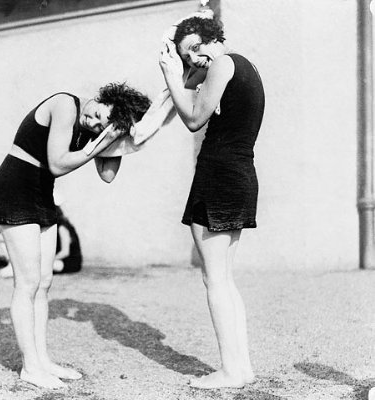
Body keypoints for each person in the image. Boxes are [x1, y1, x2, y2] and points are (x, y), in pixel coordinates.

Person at [0, 83, 150, 389]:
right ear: (101, 98)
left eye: (102, 125)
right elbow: (58, 163)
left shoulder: (97, 130)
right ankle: (30, 367)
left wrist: (121, 139)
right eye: (98, 114)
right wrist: (99, 142)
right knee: (27, 283)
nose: (94, 122)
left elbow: (107, 174)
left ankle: (42, 360)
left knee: (44, 282)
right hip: (15, 188)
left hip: (42, 193)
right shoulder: (65, 105)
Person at [159, 15, 265, 389]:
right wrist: (180, 55)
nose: (193, 59)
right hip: (239, 175)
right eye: (186, 55)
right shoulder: (244, 66)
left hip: (219, 174)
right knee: (224, 279)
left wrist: (171, 74)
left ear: (212, 38)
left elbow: (193, 118)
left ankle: (231, 371)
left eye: (195, 48)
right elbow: (192, 82)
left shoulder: (222, 64)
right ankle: (241, 367)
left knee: (215, 279)